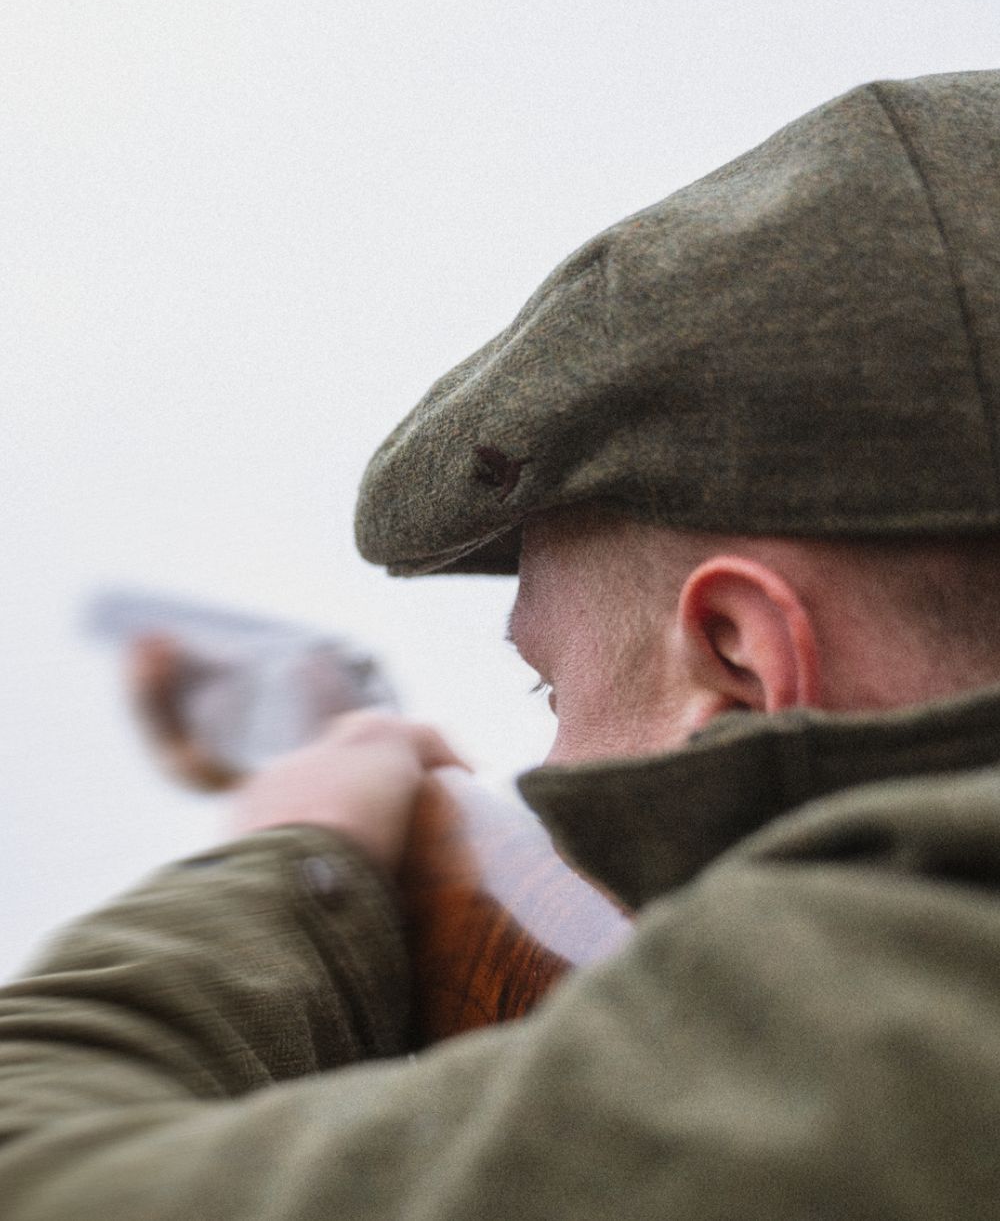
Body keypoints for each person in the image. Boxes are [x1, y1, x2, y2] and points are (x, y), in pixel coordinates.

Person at [3, 67, 1000, 1219]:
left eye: (551, 686)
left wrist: (300, 859)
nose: (544, 776)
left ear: (742, 664)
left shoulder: (883, 1044)